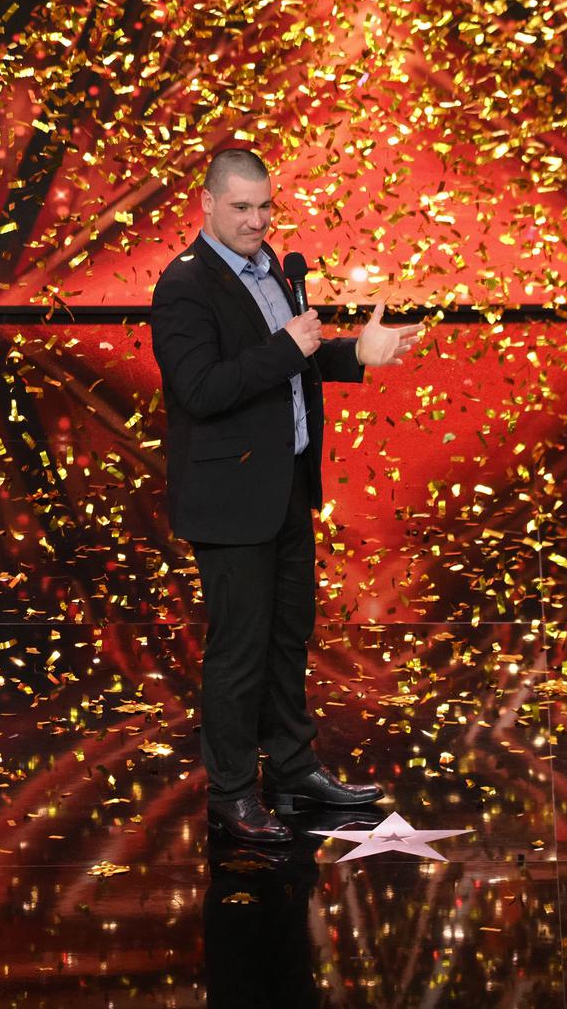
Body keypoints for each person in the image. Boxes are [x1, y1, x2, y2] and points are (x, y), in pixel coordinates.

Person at [151, 149, 422, 844]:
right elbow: (201, 389)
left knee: (286, 637)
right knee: (238, 650)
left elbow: (297, 356)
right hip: (231, 500)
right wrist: (287, 347)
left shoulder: (271, 264)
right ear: (206, 204)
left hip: (285, 486)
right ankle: (232, 792)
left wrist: (354, 354)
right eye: (241, 207)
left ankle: (294, 769)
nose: (256, 220)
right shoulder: (184, 286)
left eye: (264, 206)